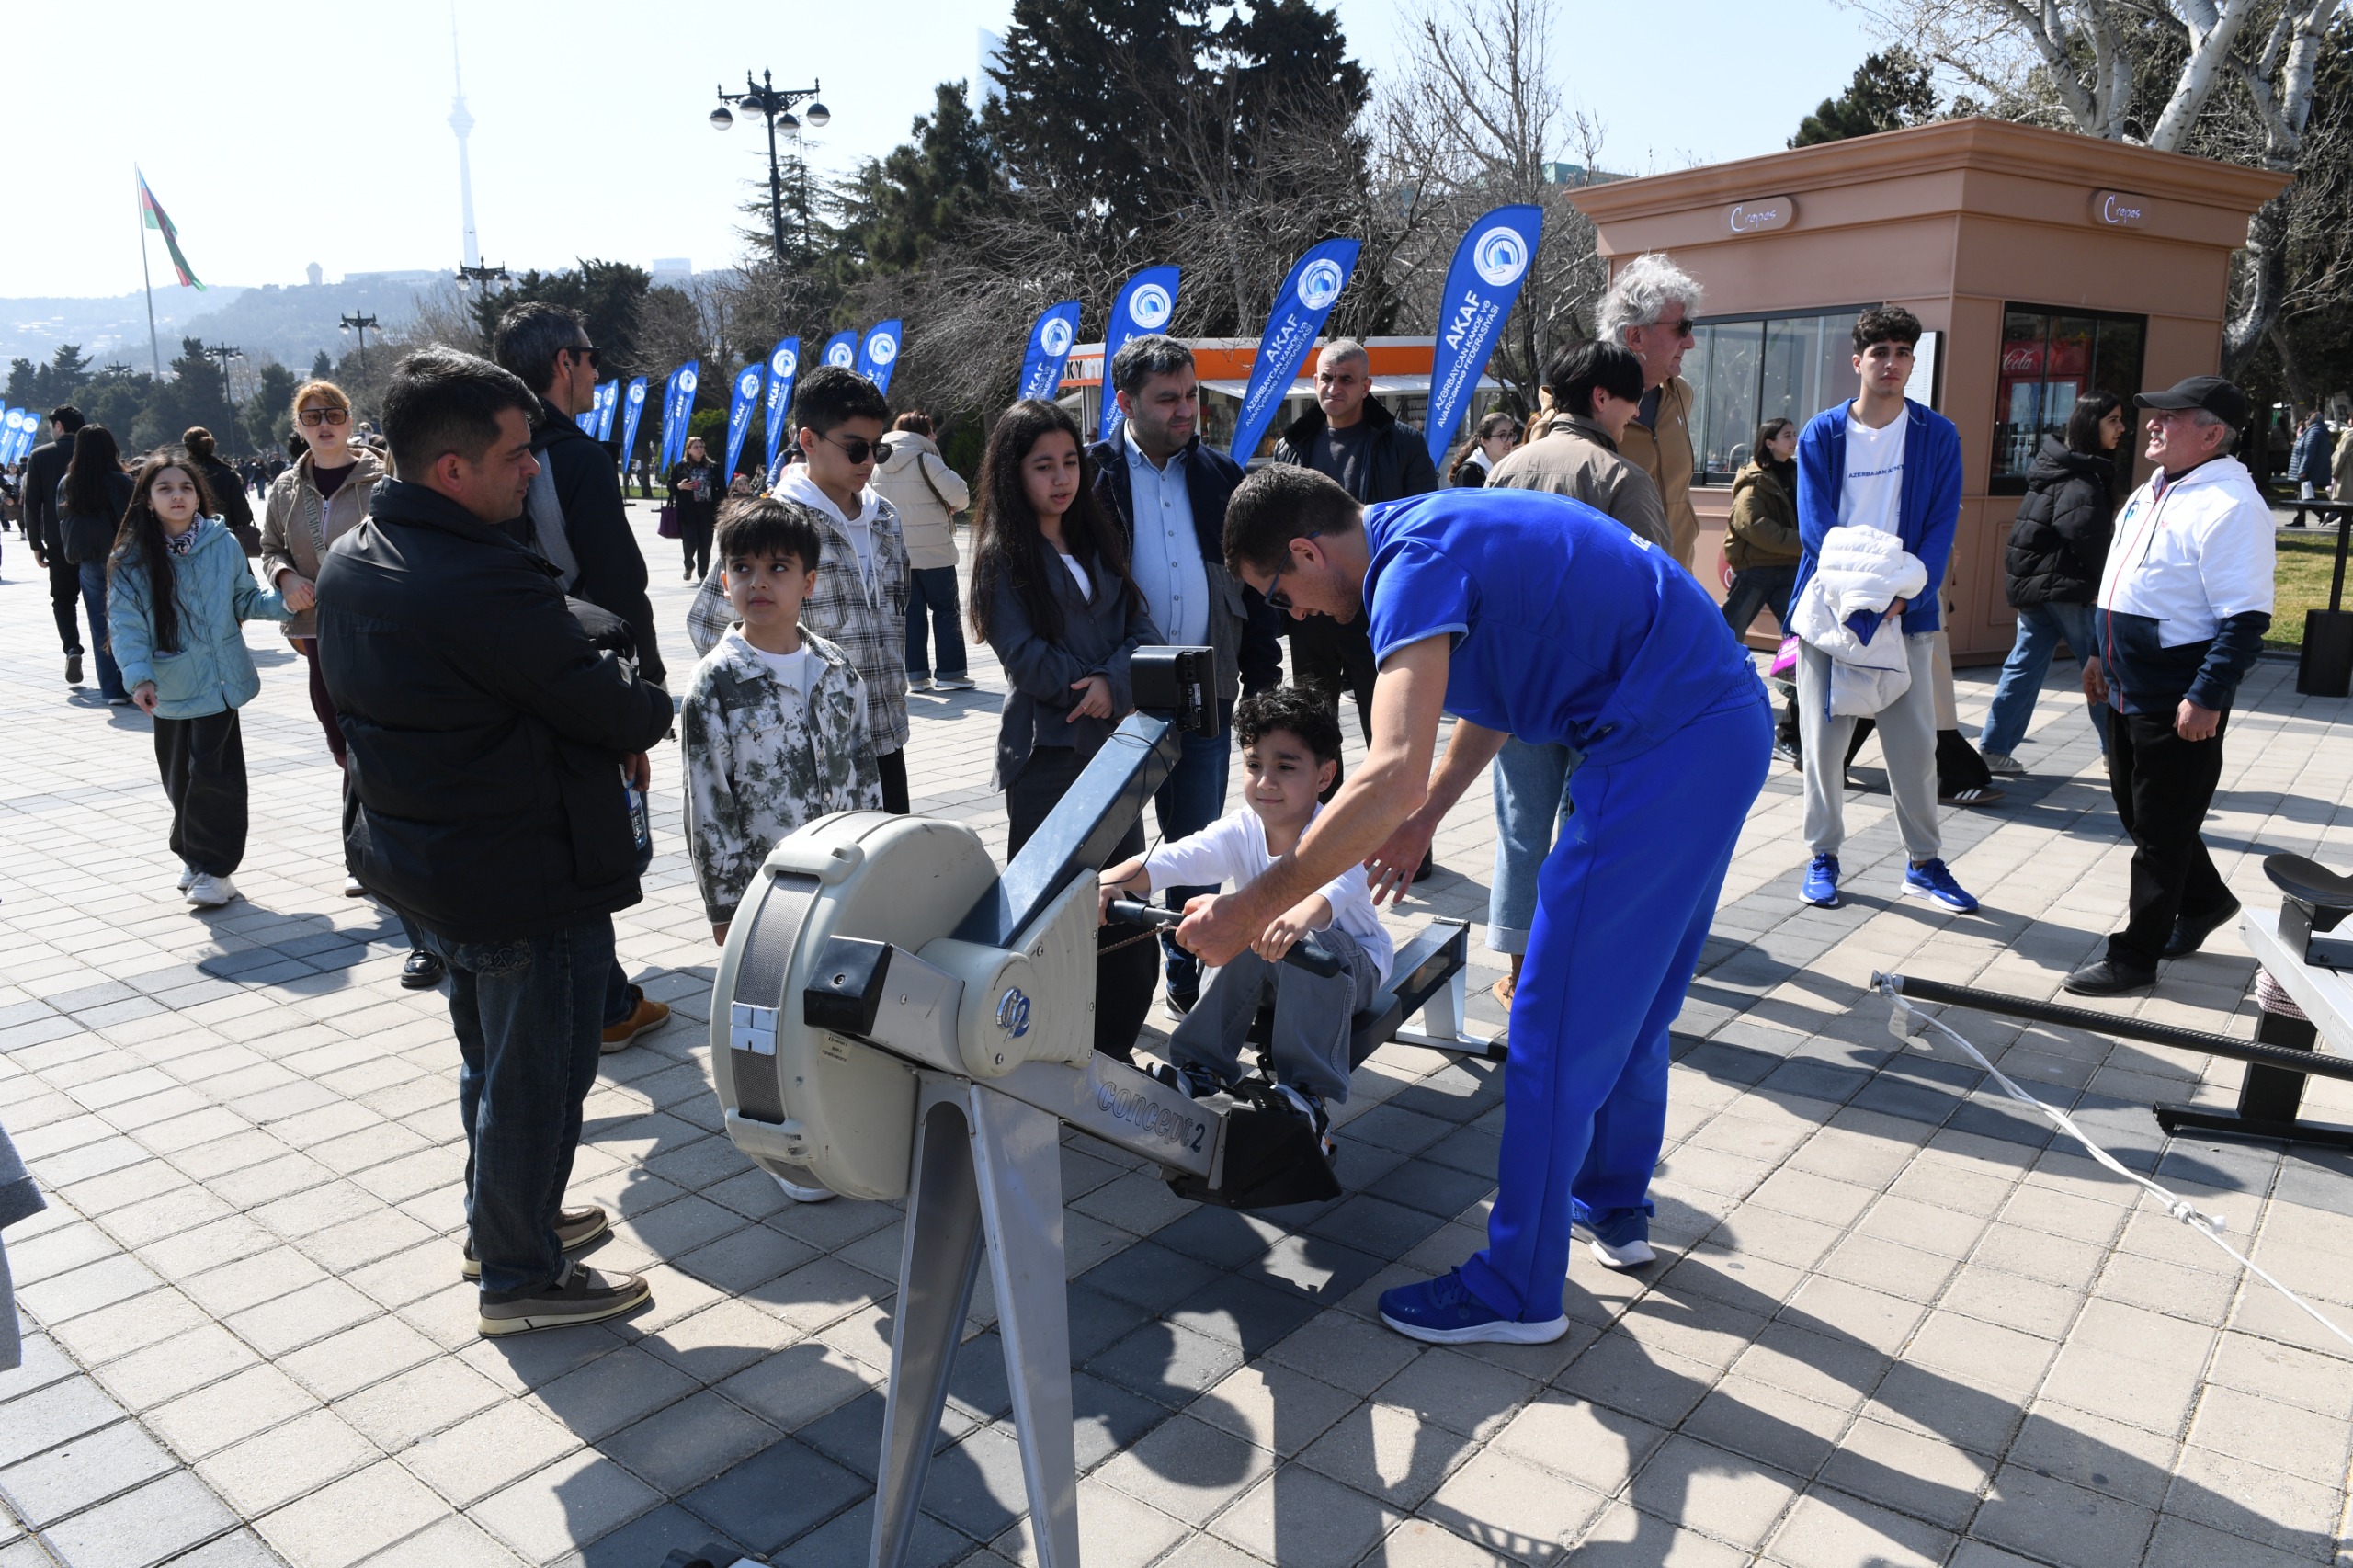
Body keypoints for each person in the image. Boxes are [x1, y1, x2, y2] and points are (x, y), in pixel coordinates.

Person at [1193, 467, 1768, 1342]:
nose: (1293, 614)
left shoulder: (1407, 572)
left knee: (1550, 1021)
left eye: (1280, 592)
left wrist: (1243, 914)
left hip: (1657, 743)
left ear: (1307, 551)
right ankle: (1611, 1204)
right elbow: (1500, 693)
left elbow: (1385, 772)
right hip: (1721, 719)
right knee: (1635, 1000)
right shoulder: (1423, 526)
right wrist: (1427, 814)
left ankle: (1517, 1289)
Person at [317, 347, 675, 1335]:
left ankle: (501, 1220)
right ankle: (521, 1275)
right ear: (452, 470)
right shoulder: (477, 577)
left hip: (435, 863)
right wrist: (654, 701)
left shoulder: (357, 553)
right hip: (522, 866)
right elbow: (607, 707)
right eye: (517, 455)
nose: (533, 469)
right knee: (540, 1073)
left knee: (492, 1055)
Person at [684, 498, 881, 1199]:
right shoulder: (715, 684)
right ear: (724, 580)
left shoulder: (835, 670)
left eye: (778, 567)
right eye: (741, 568)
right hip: (769, 892)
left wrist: (878, 868)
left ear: (810, 582)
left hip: (842, 880)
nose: (758, 582)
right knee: (766, 1023)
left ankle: (841, 1130)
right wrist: (727, 901)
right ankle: (784, 1146)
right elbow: (707, 803)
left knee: (833, 1013)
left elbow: (863, 772)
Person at [492, 301, 676, 1048]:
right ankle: (602, 1005)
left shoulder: (484, 450)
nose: (599, 368)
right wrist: (643, 697)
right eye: (591, 355)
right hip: (577, 671)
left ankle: (597, 994)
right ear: (563, 363)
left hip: (500, 678)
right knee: (589, 838)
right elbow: (620, 586)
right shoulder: (574, 457)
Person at [1097, 686, 1393, 1146]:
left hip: (1348, 971)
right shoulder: (1243, 828)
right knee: (1229, 923)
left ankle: (1307, 1094)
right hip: (1273, 963)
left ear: (1325, 775)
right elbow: (1175, 859)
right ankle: (1200, 1069)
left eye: (1285, 767)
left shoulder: (1338, 831)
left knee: (1273, 929)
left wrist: (1299, 914)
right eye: (1254, 765)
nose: (1265, 781)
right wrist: (1105, 882)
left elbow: (1338, 887)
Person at [1087, 335, 1285, 1016]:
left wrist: (1263, 685)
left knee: (1192, 843)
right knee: (1114, 845)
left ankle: (1185, 961)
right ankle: (1110, 983)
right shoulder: (1092, 478)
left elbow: (1255, 592)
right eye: (1166, 399)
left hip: (1205, 691)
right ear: (1125, 402)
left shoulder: (1220, 477)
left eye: (1190, 395)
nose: (1185, 411)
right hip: (1120, 696)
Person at [2066, 376, 2274, 996]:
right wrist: (2100, 655)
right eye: (2155, 414)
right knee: (2146, 816)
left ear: (2212, 434)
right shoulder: (2156, 487)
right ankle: (2206, 902)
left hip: (2176, 690)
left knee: (2159, 833)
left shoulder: (2231, 506)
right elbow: (2127, 581)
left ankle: (2135, 958)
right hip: (2127, 682)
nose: (2153, 423)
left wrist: (2208, 694)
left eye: (2172, 416)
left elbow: (2246, 619)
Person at [1479, 341, 1669, 1007]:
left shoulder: (1505, 472)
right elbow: (1654, 595)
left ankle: (1518, 964)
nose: (1638, 410)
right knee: (1587, 827)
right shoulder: (1622, 479)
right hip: (1597, 689)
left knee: (1519, 823)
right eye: (1633, 397)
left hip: (1515, 685)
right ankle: (1576, 960)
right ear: (1601, 398)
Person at [973, 399, 1161, 1062]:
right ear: (1012, 475)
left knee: (1121, 900)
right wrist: (1099, 687)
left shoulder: (1096, 539)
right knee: (1054, 915)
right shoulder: (1004, 557)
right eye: (1042, 465)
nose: (1061, 478)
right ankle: (1046, 1042)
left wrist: (1116, 683)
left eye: (1070, 462)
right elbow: (1024, 659)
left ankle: (1112, 1046)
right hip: (1046, 757)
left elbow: (1143, 630)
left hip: (1113, 756)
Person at [1789, 306, 1978, 915]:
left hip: (1907, 613)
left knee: (1916, 748)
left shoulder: (1936, 434)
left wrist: (1904, 595)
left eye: (1902, 353)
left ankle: (1924, 863)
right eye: (1880, 353)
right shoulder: (1823, 433)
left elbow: (1938, 525)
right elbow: (1816, 527)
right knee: (1824, 748)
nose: (1891, 363)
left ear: (1912, 363)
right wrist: (1860, 598)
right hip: (1833, 610)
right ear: (1858, 361)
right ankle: (1823, 857)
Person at [688, 367, 914, 813]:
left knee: (892, 875)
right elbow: (708, 627)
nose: (868, 461)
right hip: (809, 757)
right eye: (855, 448)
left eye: (877, 449)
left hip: (886, 737)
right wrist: (773, 723)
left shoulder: (886, 519)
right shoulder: (776, 525)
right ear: (808, 441)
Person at [108, 449, 291, 908]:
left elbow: (245, 600)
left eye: (186, 487)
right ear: (148, 499)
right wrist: (139, 678)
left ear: (198, 496)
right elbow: (126, 625)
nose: (177, 496)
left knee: (215, 778)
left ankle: (216, 869)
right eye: (165, 488)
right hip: (169, 687)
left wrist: (289, 601)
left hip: (220, 685)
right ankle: (192, 855)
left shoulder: (221, 543)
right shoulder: (131, 558)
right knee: (180, 780)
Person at [1273, 339, 1438, 744]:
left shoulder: (1401, 444)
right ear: (1314, 381)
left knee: (1384, 732)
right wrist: (1288, 597)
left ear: (1367, 386)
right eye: (1326, 378)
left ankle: (1384, 809)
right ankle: (1323, 810)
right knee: (1313, 735)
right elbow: (1274, 531)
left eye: (1346, 379)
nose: (1334, 388)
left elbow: (1423, 528)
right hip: (1310, 613)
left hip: (1377, 611)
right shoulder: (1291, 446)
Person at [1978, 393, 2125, 773]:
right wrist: (2105, 582)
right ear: (2091, 424)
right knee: (2099, 669)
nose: (2121, 428)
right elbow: (2089, 538)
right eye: (2113, 420)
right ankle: (2118, 753)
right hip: (2068, 590)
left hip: (2037, 588)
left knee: (2024, 666)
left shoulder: (2054, 467)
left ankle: (1993, 750)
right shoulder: (2082, 478)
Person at [1597, 254, 1705, 574]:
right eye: (1682, 328)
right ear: (1635, 336)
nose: (1691, 342)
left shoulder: (1681, 394)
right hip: (1618, 592)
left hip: (1677, 584)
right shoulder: (1585, 405)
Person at [871, 411, 974, 692]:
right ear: (920, 433)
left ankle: (915, 676)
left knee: (910, 613)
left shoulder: (875, 465)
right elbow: (961, 496)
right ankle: (950, 673)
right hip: (934, 551)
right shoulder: (926, 459)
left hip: (895, 553)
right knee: (945, 610)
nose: (935, 436)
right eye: (931, 430)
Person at [1722, 417, 1805, 764]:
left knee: (1800, 636)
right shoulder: (1754, 480)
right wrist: (1802, 543)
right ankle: (1713, 695)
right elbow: (1751, 525)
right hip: (1756, 568)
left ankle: (1791, 717)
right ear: (1769, 442)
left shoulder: (1798, 473)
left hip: (1787, 568)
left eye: (1793, 435)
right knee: (1727, 635)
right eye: (1787, 435)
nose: (1794, 440)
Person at [56, 424, 136, 707]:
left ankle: (112, 689)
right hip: (123, 559)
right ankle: (135, 679)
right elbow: (133, 521)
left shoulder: (68, 482)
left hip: (88, 559)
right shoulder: (120, 480)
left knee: (99, 623)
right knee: (131, 619)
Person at [23, 406, 88, 687]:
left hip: (59, 539)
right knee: (103, 602)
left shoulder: (40, 455)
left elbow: (32, 502)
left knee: (63, 599)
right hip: (98, 541)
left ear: (59, 426)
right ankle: (111, 658)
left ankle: (72, 648)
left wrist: (36, 543)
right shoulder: (94, 450)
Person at [181, 427, 256, 555]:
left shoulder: (179, 473)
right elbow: (242, 514)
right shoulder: (227, 472)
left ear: (187, 447)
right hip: (225, 540)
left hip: (188, 543)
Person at [667, 435, 722, 580]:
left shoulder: (713, 467)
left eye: (701, 446)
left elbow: (722, 490)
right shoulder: (681, 466)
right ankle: (689, 564)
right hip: (688, 511)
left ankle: (703, 574)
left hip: (708, 512)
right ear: (689, 450)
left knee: (705, 544)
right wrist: (680, 486)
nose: (699, 449)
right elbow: (670, 485)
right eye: (696, 447)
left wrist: (724, 509)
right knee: (689, 542)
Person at [1447, 412, 1522, 487]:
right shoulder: (1468, 472)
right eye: (1502, 435)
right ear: (1485, 441)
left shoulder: (1513, 467)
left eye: (1511, 434)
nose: (1509, 441)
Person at [2288, 412, 2332, 527]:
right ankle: (2303, 519)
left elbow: (2309, 453)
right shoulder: (2317, 431)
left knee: (2305, 496)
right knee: (2303, 495)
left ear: (2312, 420)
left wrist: (2302, 470)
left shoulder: (2313, 432)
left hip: (2307, 471)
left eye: (2307, 419)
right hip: (2310, 469)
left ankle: (2323, 514)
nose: (2305, 421)